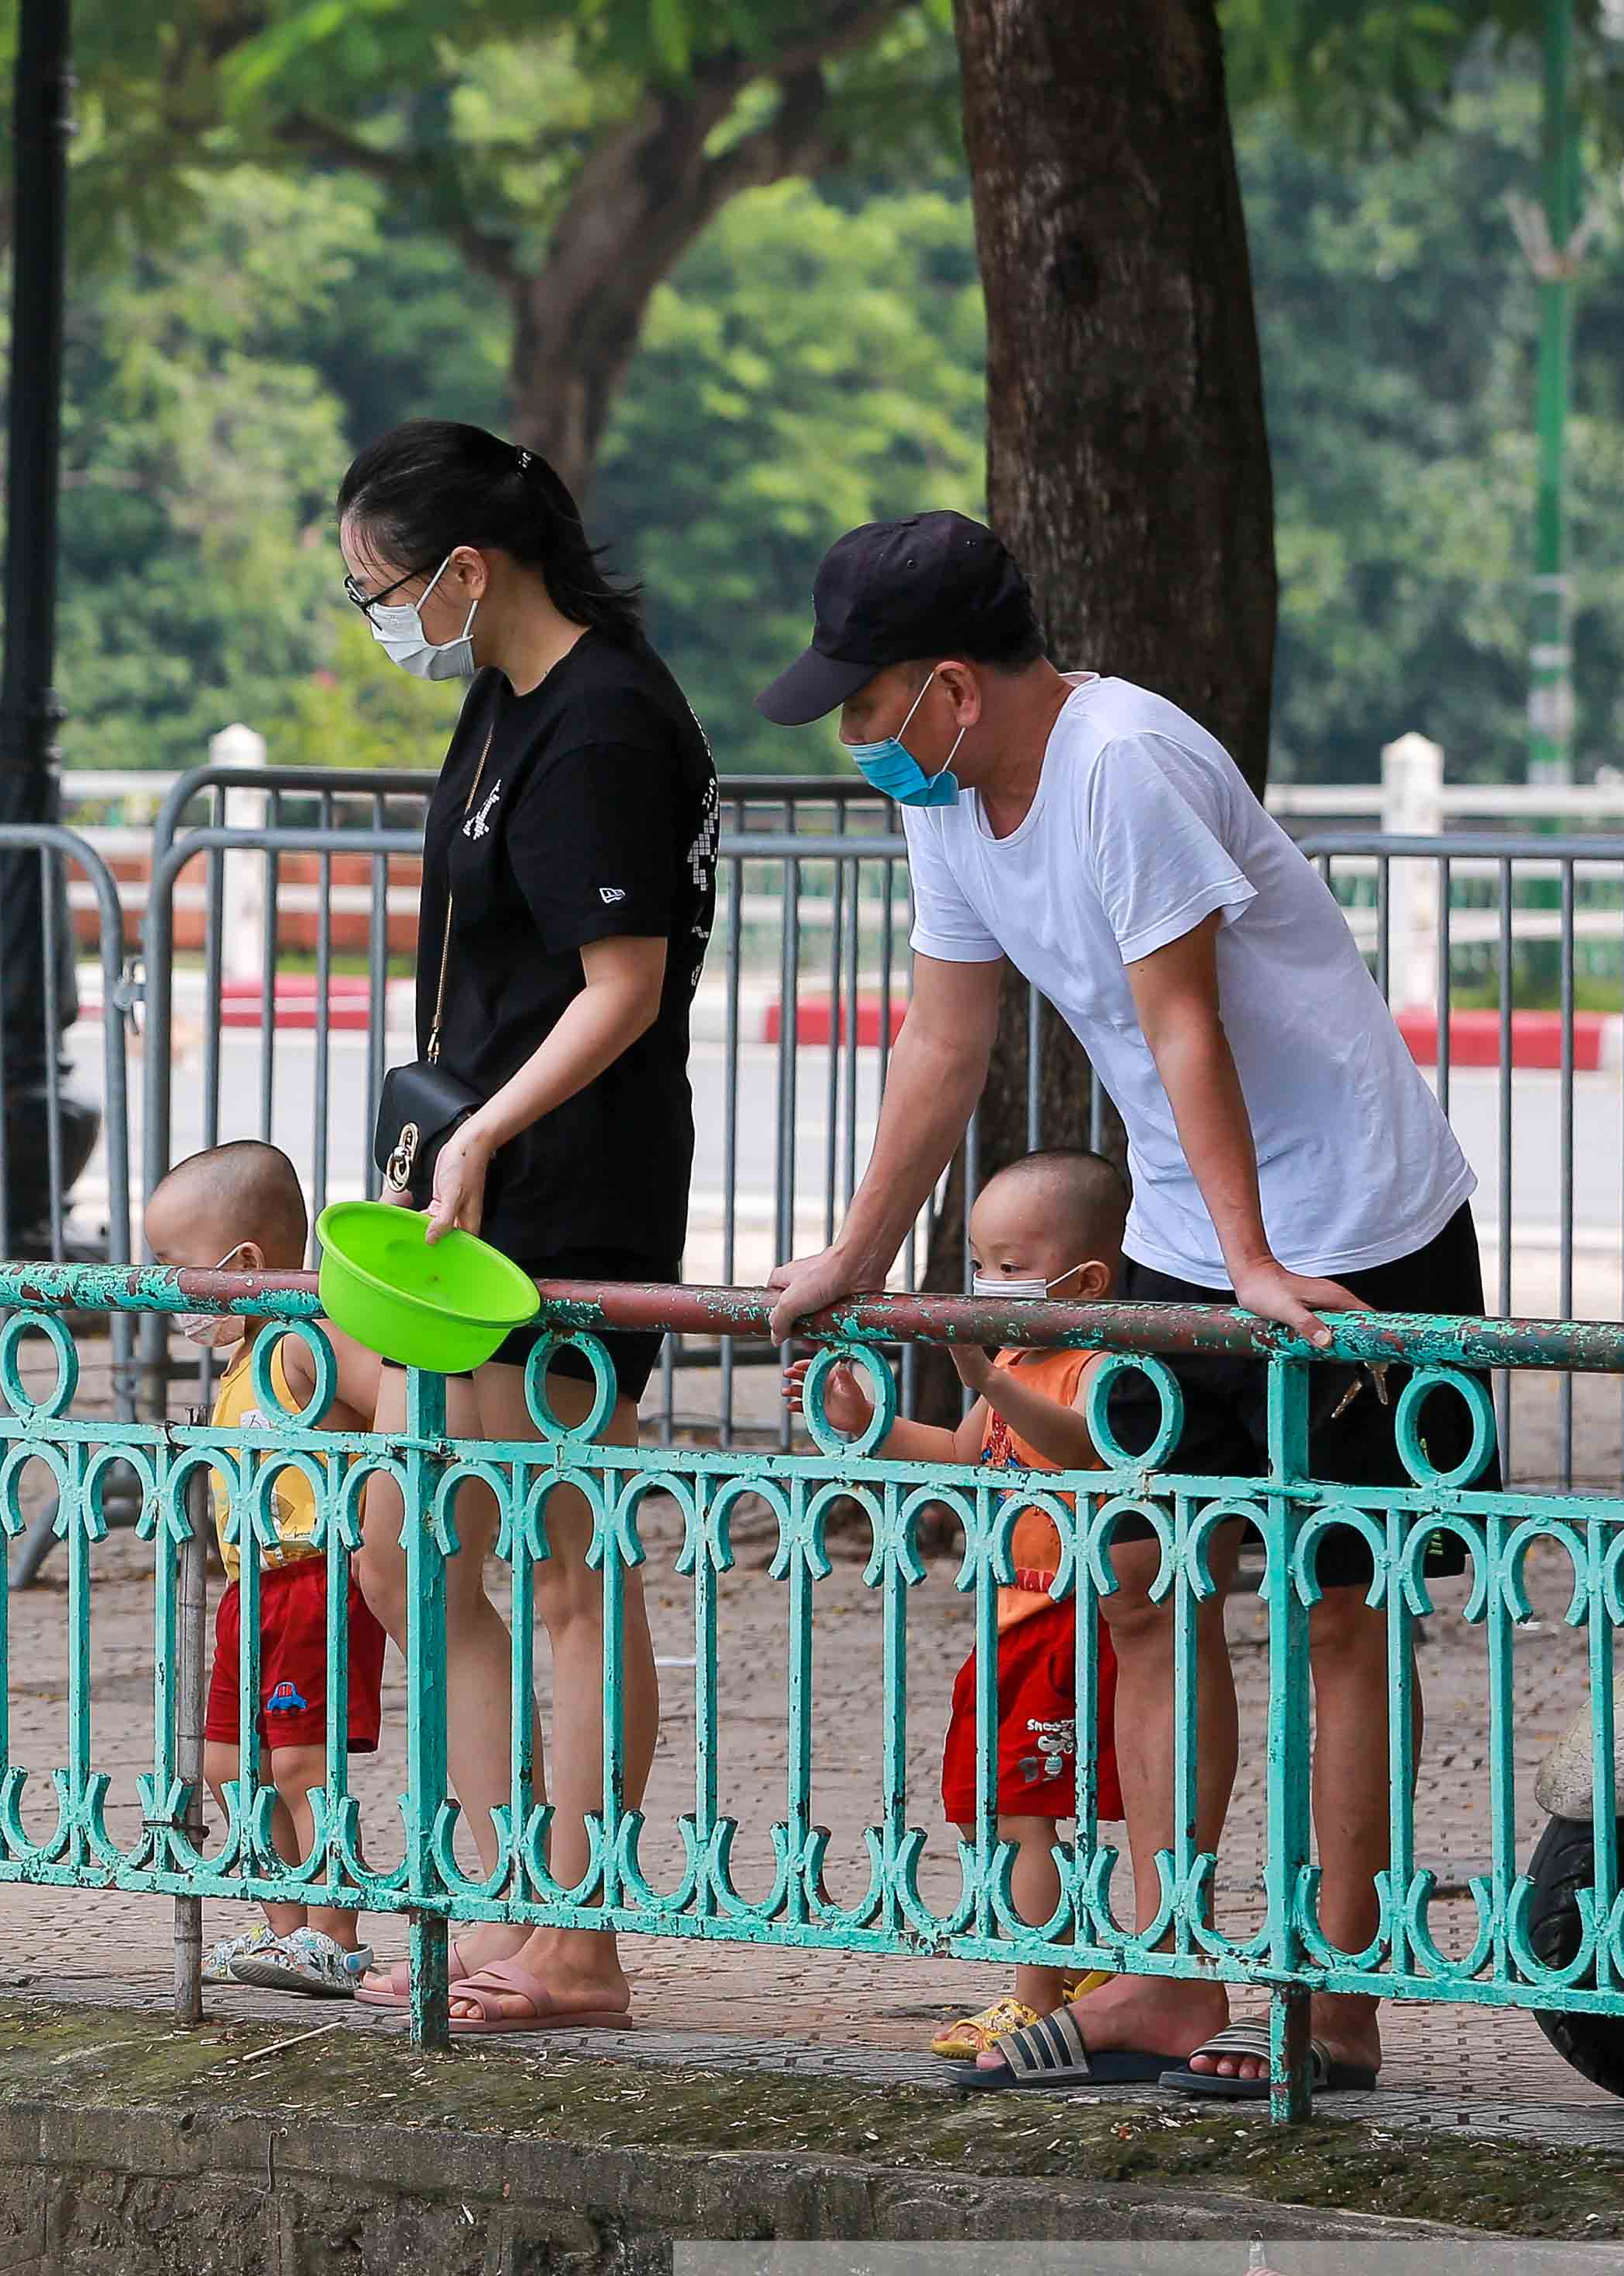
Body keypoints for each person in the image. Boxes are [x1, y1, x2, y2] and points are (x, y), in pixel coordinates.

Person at [759, 510, 1483, 2099]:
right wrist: (856, 1255)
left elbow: (1184, 1025)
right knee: (1144, 1585)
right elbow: (945, 1047)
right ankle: (1165, 1978)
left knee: (1337, 1614)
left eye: (865, 706)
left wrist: (1248, 1261)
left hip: (1348, 1215)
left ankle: (1334, 2004)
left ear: (948, 683)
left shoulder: (1123, 763)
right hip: (1187, 1221)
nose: (856, 738)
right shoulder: (945, 803)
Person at [326, 420, 718, 2037]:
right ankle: (503, 1892)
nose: (373, 619)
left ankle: (581, 1930)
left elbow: (622, 991)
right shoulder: (504, 706)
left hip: (563, 1190)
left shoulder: (607, 723)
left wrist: (486, 1126)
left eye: (379, 590)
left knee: (563, 1565)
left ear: (467, 571)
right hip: (464, 1181)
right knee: (427, 1553)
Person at [786, 1149, 1132, 2064]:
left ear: (1085, 1279)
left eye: (1013, 1266)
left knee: (1026, 1804)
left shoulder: (1099, 1365)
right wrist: (860, 1420)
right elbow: (955, 1453)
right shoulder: (1019, 1353)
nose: (989, 1283)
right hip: (1009, 1616)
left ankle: (1036, 1987)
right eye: (982, 1262)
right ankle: (1070, 1966)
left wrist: (990, 1378)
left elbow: (1083, 1446)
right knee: (996, 1800)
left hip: (1069, 1616)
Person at [141, 1141, 388, 1999]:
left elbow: (389, 1395)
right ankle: (286, 1926)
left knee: (299, 1764)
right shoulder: (250, 1352)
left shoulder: (305, 1334)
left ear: (244, 1263)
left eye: (177, 1267)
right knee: (225, 1760)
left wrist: (375, 1506)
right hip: (250, 1588)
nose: (171, 1290)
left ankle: (338, 1931)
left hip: (314, 1580)